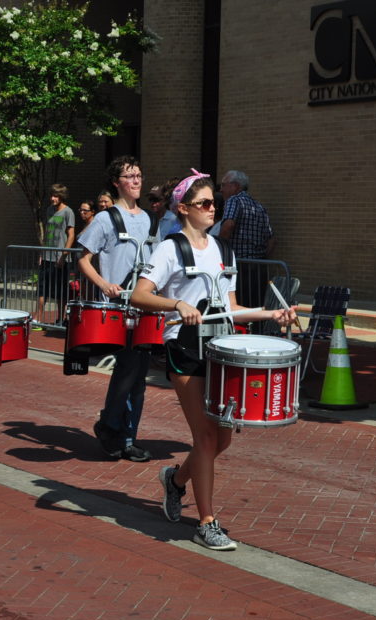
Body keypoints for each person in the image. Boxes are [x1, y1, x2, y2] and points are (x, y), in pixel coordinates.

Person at [130, 170, 296, 551]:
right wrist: (177, 303)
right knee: (204, 436)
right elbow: (139, 295)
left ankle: (174, 481)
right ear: (184, 208)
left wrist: (270, 315)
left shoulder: (224, 250)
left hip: (221, 349)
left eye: (215, 204)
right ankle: (206, 522)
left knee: (221, 440)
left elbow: (231, 309)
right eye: (205, 204)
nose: (212, 209)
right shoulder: (170, 249)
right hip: (184, 347)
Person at [75, 156, 156, 463]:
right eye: (130, 176)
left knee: (138, 375)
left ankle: (125, 435)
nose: (136, 181)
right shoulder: (105, 219)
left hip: (144, 306)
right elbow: (83, 258)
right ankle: (111, 427)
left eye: (139, 175)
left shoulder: (148, 219)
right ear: (116, 183)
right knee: (127, 370)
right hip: (117, 309)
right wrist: (105, 284)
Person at [218, 170, 274, 310]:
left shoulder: (234, 200)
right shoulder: (259, 207)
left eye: (224, 185)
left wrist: (218, 250)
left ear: (236, 186)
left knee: (239, 306)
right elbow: (272, 239)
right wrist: (262, 258)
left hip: (239, 266)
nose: (221, 189)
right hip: (258, 267)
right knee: (256, 305)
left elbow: (228, 225)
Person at [33, 183, 75, 329]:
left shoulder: (68, 212)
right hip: (47, 256)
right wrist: (42, 252)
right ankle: (38, 319)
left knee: (60, 290)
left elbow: (71, 235)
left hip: (60, 259)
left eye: (56, 196)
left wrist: (64, 255)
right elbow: (46, 231)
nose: (53, 198)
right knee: (42, 288)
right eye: (52, 195)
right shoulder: (49, 210)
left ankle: (61, 318)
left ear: (61, 197)